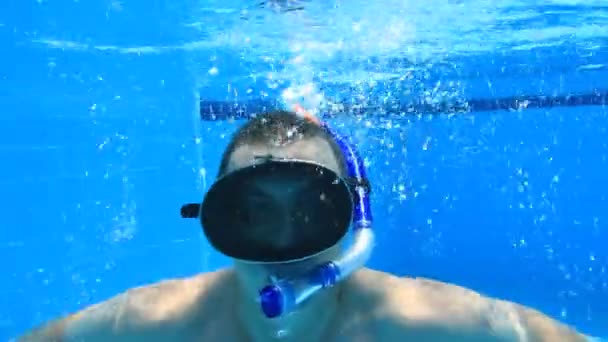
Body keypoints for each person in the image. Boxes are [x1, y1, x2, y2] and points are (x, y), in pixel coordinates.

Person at [19, 110, 591, 342]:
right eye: (252, 213)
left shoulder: (419, 319)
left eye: (313, 212)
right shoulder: (158, 320)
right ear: (216, 219)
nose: (284, 241)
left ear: (352, 222)